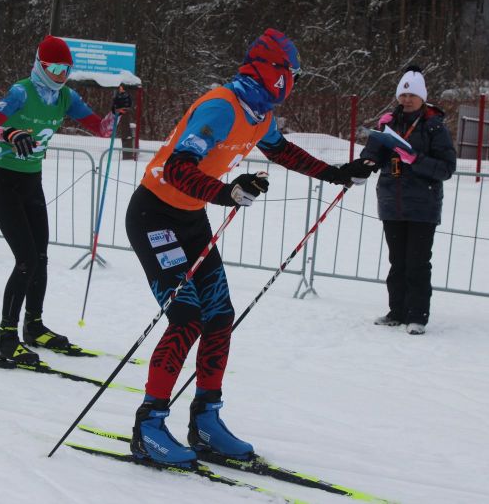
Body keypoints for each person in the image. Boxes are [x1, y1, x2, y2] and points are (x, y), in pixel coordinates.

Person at [124, 28, 374, 467]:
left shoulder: (259, 113)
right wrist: (226, 192)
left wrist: (336, 173)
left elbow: (282, 152)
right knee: (187, 317)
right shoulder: (222, 106)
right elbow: (178, 168)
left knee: (220, 316)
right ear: (273, 71)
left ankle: (206, 420)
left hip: (191, 219)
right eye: (291, 73)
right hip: (154, 217)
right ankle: (149, 426)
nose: (292, 82)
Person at [0, 35, 132, 365]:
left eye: (66, 69)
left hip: (31, 182)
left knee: (41, 258)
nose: (61, 75)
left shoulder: (66, 97)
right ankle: (6, 337)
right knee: (25, 260)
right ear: (40, 65)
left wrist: (115, 113)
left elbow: (102, 130)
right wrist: (9, 133)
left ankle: (33, 326)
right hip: (3, 181)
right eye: (55, 68)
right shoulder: (21, 92)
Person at [360, 66, 456, 335]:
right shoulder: (388, 123)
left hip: (423, 205)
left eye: (412, 95)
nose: (407, 100)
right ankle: (397, 311)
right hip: (392, 202)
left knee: (417, 263)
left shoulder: (434, 126)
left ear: (422, 97)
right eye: (403, 95)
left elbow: (447, 168)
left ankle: (417, 316)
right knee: (397, 262)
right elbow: (373, 154)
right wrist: (365, 163)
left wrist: (415, 159)